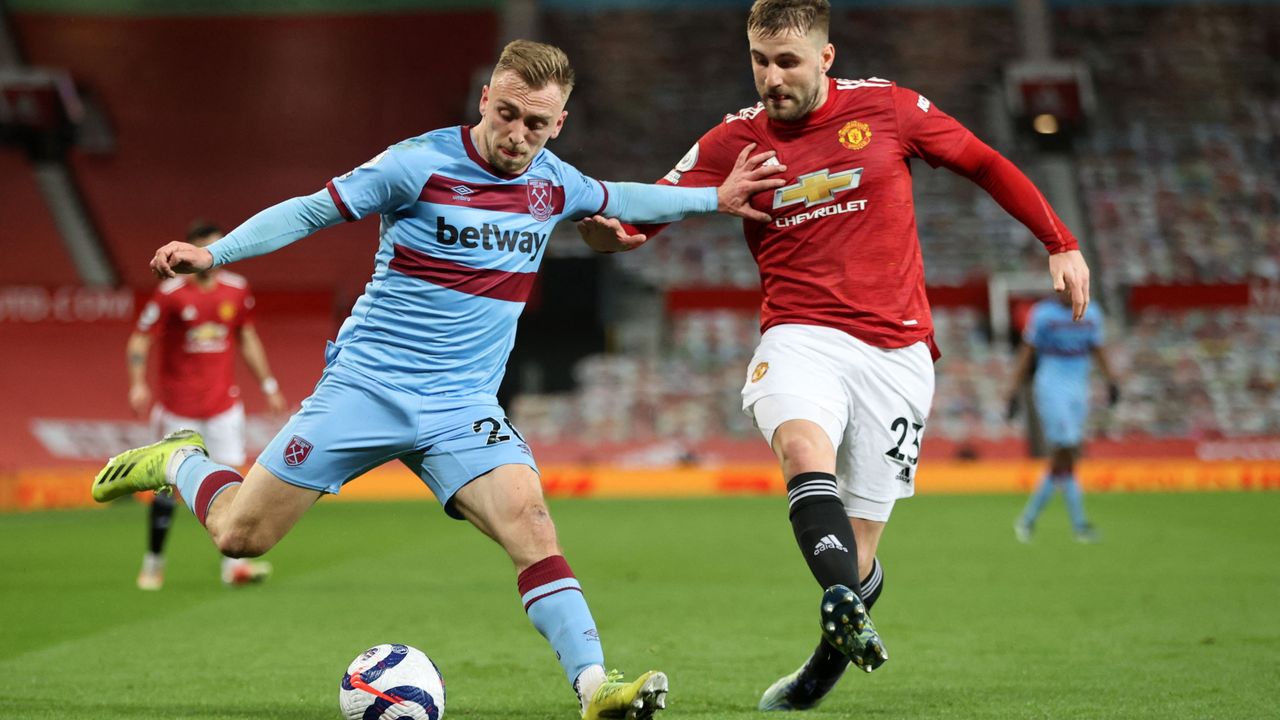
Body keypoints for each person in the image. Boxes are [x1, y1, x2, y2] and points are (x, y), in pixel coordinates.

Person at [92, 39, 784, 720]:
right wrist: (214, 254)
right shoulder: (417, 164)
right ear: (485, 98)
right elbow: (309, 209)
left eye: (536, 123)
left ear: (559, 124)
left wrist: (712, 198)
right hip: (366, 389)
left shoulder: (554, 183)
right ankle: (178, 459)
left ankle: (595, 688)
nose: (517, 134)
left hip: (462, 407)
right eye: (506, 113)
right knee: (241, 536)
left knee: (534, 527)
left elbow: (623, 196)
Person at [576, 0, 1091, 711]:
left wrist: (1059, 240)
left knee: (861, 543)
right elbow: (632, 223)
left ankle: (824, 659)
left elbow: (983, 161)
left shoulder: (890, 109)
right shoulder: (733, 142)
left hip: (900, 350)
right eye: (760, 61)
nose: (771, 78)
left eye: (787, 61)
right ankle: (841, 606)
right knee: (801, 448)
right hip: (799, 333)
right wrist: (604, 233)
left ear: (826, 57)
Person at [127, 221, 287, 590]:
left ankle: (233, 569)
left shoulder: (236, 290)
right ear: (191, 250)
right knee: (166, 489)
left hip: (223, 407)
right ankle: (153, 563)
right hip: (176, 408)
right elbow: (140, 340)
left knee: (233, 485)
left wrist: (268, 384)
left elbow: (247, 337)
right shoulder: (170, 293)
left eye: (220, 246)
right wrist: (137, 384)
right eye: (207, 246)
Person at [1004, 295, 1118, 544]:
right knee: (1066, 449)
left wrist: (1112, 380)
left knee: (1065, 460)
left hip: (1079, 389)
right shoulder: (1043, 314)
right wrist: (1012, 390)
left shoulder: (1092, 313)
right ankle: (1067, 523)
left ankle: (1034, 520)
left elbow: (1097, 348)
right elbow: (1027, 350)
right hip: (1051, 386)